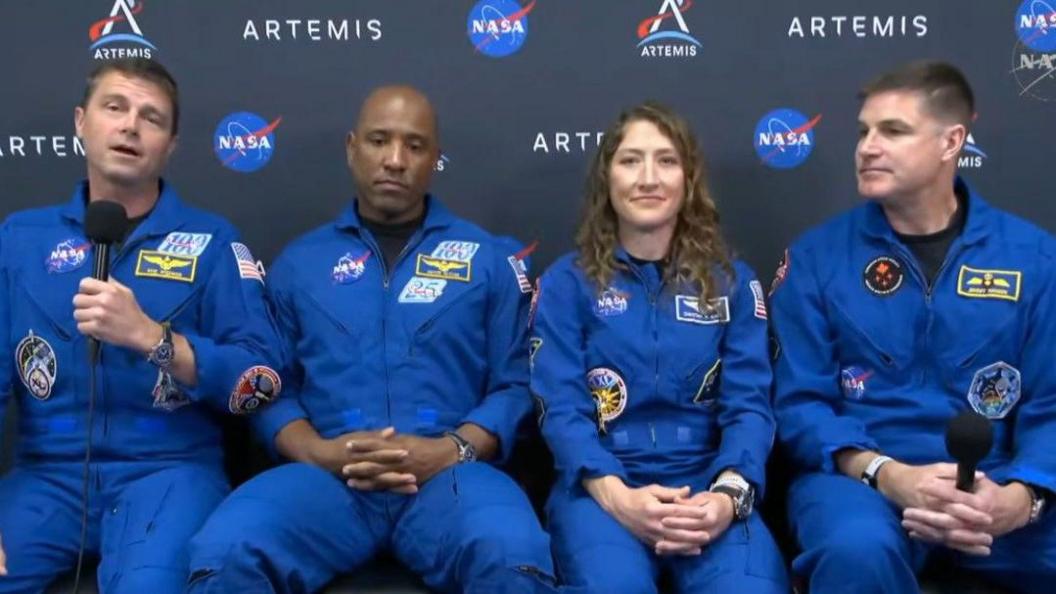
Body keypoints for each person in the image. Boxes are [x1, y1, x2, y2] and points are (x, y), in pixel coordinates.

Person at [187, 85, 558, 593]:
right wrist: (317, 452)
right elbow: (269, 387)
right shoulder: (299, 264)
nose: (395, 160)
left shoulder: (486, 260)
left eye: (414, 146)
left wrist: (450, 450)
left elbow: (514, 386)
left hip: (450, 479)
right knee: (225, 550)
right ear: (352, 148)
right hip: (327, 480)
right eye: (379, 141)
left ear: (435, 158)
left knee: (514, 554)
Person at [771, 60, 1056, 593]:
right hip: (863, 481)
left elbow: (1053, 406)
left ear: (952, 141)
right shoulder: (817, 257)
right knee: (856, 551)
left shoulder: (1035, 259)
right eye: (863, 132)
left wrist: (1021, 499)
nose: (867, 147)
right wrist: (889, 474)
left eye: (893, 131)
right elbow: (800, 404)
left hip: (995, 480)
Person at [0, 58, 283, 593]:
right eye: (115, 107)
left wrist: (154, 339)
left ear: (170, 145)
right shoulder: (20, 240)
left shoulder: (213, 243)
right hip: (47, 475)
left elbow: (260, 380)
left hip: (168, 470)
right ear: (81, 122)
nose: (130, 125)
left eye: (151, 117)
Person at [530, 101, 789, 594]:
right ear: (607, 178)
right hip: (601, 488)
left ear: (688, 179)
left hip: (707, 484)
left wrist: (727, 497)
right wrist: (617, 496)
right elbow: (560, 409)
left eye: (666, 161)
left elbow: (750, 407)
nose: (648, 178)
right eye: (631, 161)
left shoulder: (731, 283)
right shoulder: (567, 283)